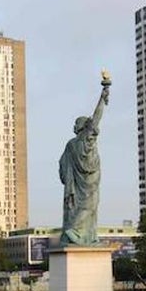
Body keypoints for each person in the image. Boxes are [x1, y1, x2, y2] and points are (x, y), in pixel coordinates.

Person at [58, 73, 110, 246]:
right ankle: (75, 232)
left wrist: (103, 95)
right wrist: (102, 98)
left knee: (86, 209)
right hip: (88, 184)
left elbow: (61, 168)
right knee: (88, 207)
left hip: (84, 183)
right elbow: (96, 118)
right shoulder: (79, 142)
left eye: (76, 124)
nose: (74, 127)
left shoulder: (72, 144)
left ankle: (84, 234)